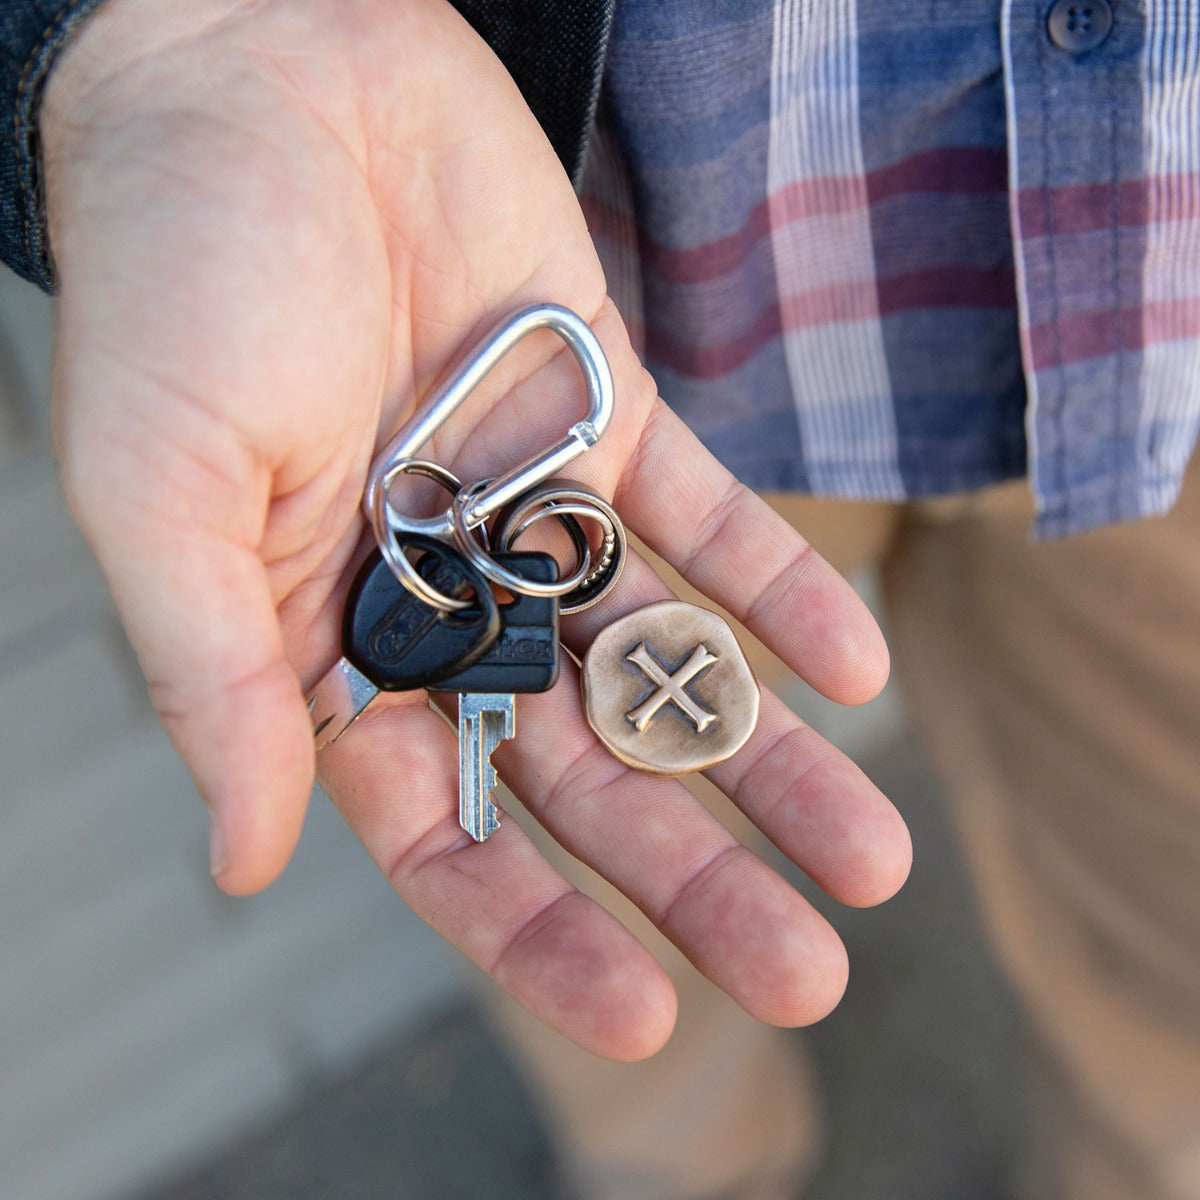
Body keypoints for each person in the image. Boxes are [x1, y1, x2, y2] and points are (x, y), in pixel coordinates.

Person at [2, 2, 1198, 1199]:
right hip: (578, 310)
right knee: (595, 896)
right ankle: (685, 1173)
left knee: (1165, 927)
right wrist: (165, 33)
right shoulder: (506, 482)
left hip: (1161, 320)